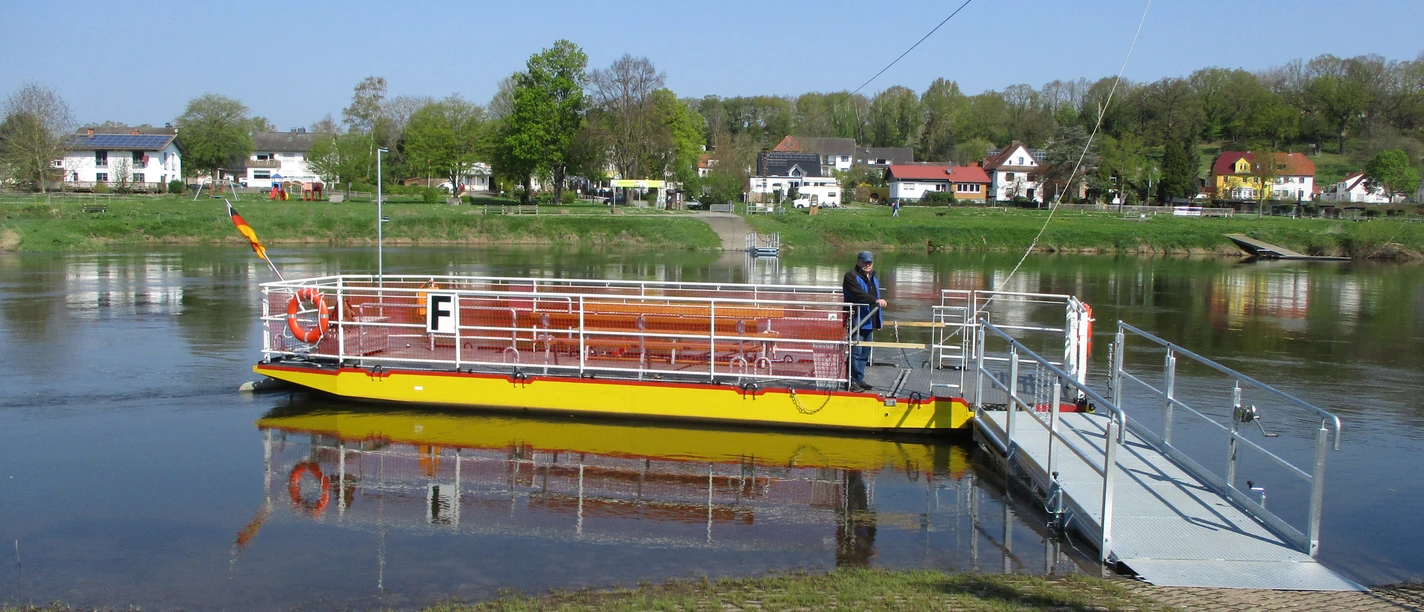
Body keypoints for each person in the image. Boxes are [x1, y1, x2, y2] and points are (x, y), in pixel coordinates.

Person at [842, 251, 887, 391]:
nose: (867, 265)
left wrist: (879, 320)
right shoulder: (850, 276)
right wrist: (876, 300)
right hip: (856, 319)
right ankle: (850, 381)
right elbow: (859, 294)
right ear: (858, 261)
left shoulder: (874, 278)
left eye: (870, 262)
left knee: (865, 353)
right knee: (855, 351)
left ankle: (859, 379)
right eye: (865, 262)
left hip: (869, 320)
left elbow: (876, 297)